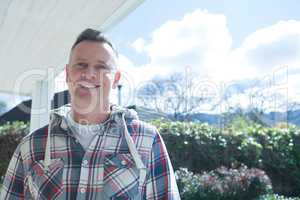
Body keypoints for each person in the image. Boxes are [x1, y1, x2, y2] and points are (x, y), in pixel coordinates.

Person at [0, 28, 180, 199]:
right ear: (68, 74)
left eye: (101, 67)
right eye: (81, 65)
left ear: (116, 78)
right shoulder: (32, 146)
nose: (89, 73)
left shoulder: (147, 140)